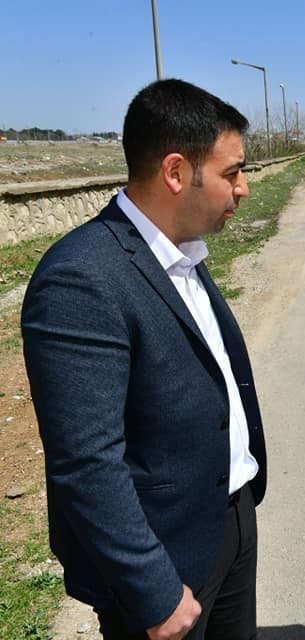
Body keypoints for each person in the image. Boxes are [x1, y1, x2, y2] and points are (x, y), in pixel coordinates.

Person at [21, 78, 267, 640]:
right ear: (176, 172)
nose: (244, 188)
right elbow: (85, 460)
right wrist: (152, 589)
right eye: (232, 172)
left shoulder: (182, 252)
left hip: (228, 520)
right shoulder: (81, 277)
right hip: (164, 560)